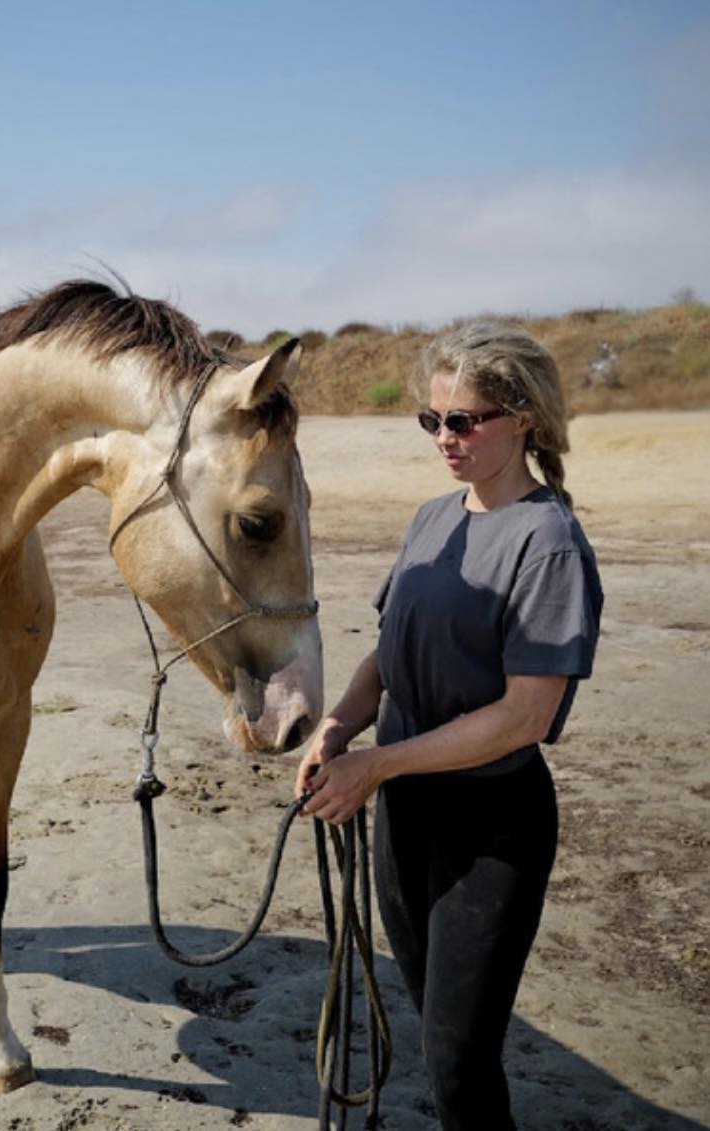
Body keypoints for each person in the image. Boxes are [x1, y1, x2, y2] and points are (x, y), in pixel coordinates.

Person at [295, 321, 603, 1130]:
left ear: (523, 416)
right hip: (407, 814)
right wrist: (337, 727)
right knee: (438, 1038)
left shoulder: (549, 542)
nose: (445, 438)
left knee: (461, 1054)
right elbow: (389, 652)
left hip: (491, 825)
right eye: (433, 420)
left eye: (463, 420)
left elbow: (524, 715)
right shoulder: (432, 519)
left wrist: (381, 762)